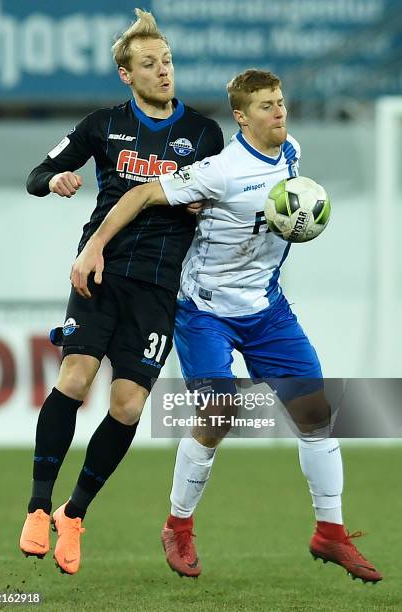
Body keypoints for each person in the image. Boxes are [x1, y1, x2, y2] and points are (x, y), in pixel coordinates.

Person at [71, 69, 382, 584]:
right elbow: (144, 195)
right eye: (266, 106)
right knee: (219, 412)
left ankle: (331, 533)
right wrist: (95, 244)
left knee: (315, 410)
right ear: (241, 116)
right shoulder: (220, 170)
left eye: (280, 102)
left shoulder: (292, 153)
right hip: (205, 311)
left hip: (266, 309)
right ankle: (179, 526)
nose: (279, 112)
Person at [19, 8, 224, 575]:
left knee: (129, 405)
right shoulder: (101, 124)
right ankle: (37, 507)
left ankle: (74, 513)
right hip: (101, 268)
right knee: (75, 378)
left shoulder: (204, 133)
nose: (164, 71)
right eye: (150, 64)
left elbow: (214, 198)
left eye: (168, 62)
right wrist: (54, 180)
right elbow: (38, 172)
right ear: (125, 74)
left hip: (160, 284)